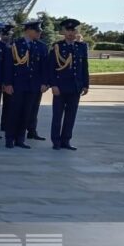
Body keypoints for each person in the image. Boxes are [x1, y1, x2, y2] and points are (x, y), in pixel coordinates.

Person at [2, 20, 49, 149]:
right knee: (14, 112)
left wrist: (45, 83)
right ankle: (10, 138)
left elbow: (45, 67)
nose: (40, 33)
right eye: (37, 30)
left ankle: (20, 139)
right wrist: (7, 83)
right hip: (17, 84)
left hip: (33, 85)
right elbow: (8, 66)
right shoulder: (15, 45)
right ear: (28, 31)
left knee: (26, 113)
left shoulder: (41, 47)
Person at [49, 18, 89, 150]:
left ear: (77, 32)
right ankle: (56, 141)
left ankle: (66, 140)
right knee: (57, 116)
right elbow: (51, 68)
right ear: (63, 31)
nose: (71, 33)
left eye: (73, 30)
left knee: (71, 116)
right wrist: (53, 85)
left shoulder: (82, 47)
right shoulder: (57, 46)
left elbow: (84, 67)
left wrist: (85, 84)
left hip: (75, 86)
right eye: (68, 30)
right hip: (60, 87)